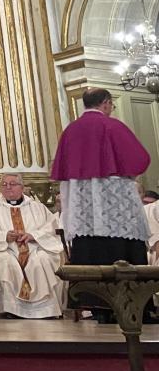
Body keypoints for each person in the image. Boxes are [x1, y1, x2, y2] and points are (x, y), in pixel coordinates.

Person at [51, 87, 152, 321]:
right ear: (105, 103)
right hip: (117, 206)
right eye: (112, 105)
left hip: (83, 209)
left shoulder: (71, 131)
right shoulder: (112, 126)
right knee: (121, 250)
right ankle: (135, 308)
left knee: (91, 249)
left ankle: (98, 307)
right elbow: (139, 159)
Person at [0, 175, 64, 319]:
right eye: (4, 184)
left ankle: (46, 310)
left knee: (42, 260)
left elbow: (51, 228)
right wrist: (4, 236)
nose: (8, 187)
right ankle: (9, 309)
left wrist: (33, 235)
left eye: (12, 184)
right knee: (3, 262)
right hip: (5, 248)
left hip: (35, 247)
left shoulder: (38, 208)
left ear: (22, 187)